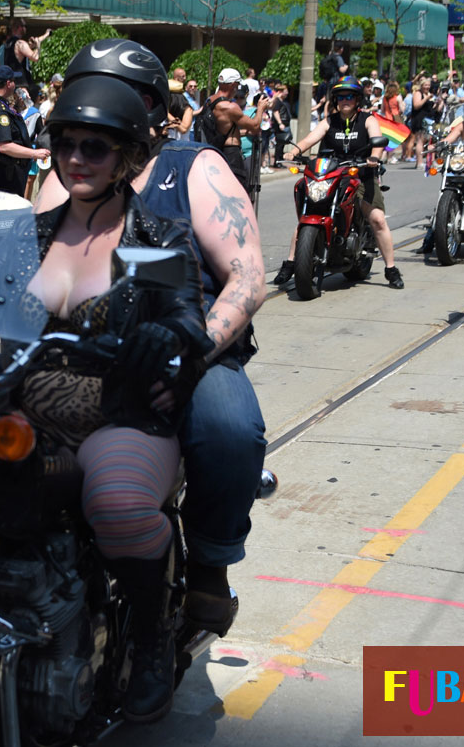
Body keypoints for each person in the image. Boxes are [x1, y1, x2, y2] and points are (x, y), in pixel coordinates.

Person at [35, 39, 267, 644]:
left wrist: (188, 348)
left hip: (190, 345)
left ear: (152, 110)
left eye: (120, 97)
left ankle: (208, 565)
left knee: (227, 428)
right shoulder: (67, 172)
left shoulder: (192, 168)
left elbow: (246, 277)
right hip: (81, 352)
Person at [274, 76, 404, 290]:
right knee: (309, 213)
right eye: (341, 97)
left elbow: (377, 141)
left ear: (357, 99)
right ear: (335, 100)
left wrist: (374, 157)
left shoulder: (367, 119)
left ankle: (391, 269)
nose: (345, 100)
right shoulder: (329, 121)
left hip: (360, 173)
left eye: (350, 96)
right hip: (331, 174)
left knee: (377, 219)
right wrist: (294, 151)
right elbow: (310, 139)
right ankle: (290, 262)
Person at [200, 68, 269, 208]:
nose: (237, 89)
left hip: (215, 151)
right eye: (237, 85)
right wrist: (261, 108)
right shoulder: (230, 107)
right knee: (239, 196)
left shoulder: (209, 101)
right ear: (232, 85)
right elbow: (255, 126)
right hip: (231, 154)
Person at [0, 65, 50, 195]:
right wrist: (34, 153)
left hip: (1, 169)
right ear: (8, 84)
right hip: (8, 173)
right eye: (14, 81)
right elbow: (4, 146)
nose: (15, 85)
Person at [0, 17, 50, 89]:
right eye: (24, 26)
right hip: (21, 84)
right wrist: (38, 46)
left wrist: (46, 34)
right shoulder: (20, 43)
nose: (25, 28)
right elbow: (35, 57)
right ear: (19, 27)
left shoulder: (6, 45)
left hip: (10, 83)